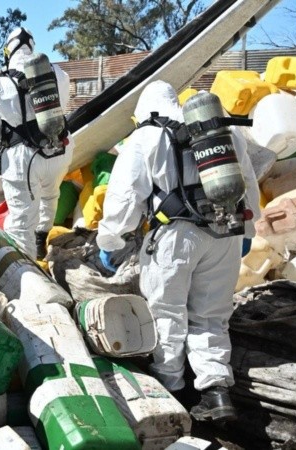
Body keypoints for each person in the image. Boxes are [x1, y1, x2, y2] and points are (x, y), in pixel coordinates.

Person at [96, 80, 260, 423]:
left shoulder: (146, 136)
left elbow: (124, 198)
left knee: (166, 313)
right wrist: (249, 230)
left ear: (145, 109)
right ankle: (216, 394)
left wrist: (110, 241)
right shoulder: (220, 129)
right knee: (212, 315)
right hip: (224, 232)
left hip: (175, 238)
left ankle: (170, 390)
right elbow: (247, 182)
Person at [0, 27, 73, 260]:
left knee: (21, 221)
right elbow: (63, 107)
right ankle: (41, 239)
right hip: (59, 149)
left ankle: (29, 273)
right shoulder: (57, 73)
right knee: (50, 196)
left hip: (23, 161)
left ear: (9, 50)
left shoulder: (0, 85)